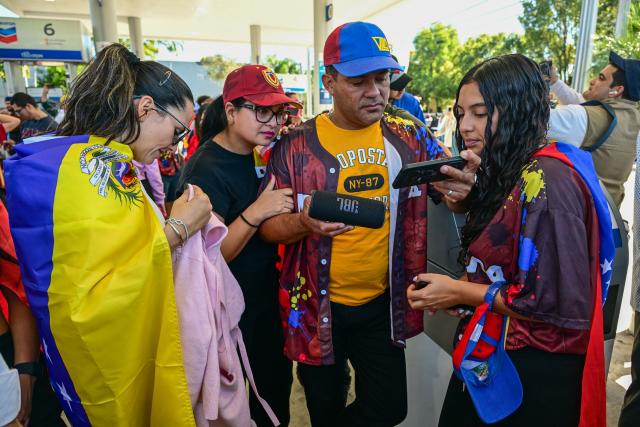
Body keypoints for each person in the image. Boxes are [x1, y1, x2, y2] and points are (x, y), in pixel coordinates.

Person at [258, 21, 478, 427]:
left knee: (391, 407)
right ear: (329, 81)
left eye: (382, 78)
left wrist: (462, 192)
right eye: (359, 81)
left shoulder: (409, 136)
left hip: (383, 304)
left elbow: (449, 196)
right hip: (316, 308)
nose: (375, 91)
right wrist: (305, 223)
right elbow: (268, 229)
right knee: (324, 407)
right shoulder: (295, 145)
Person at [3, 44, 212, 426]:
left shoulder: (58, 158)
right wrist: (181, 227)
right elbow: (103, 291)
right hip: (103, 362)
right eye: (178, 130)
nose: (176, 144)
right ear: (145, 108)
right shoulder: (96, 169)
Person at [408, 54, 610, 426]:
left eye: (480, 113)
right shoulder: (519, 168)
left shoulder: (547, 181)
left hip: (531, 374)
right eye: (461, 112)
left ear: (517, 108)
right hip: (496, 353)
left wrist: (459, 291)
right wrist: (471, 287)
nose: (465, 126)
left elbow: (551, 302)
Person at [179, 64, 299, 427]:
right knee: (234, 405)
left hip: (263, 299)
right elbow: (208, 255)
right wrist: (258, 211)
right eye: (262, 111)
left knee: (275, 390)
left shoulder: (255, 150)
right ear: (231, 112)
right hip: (227, 309)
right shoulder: (205, 169)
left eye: (278, 112)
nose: (273, 122)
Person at [547, 51, 640, 207]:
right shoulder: (633, 119)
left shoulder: (591, 118)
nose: (592, 80)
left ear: (616, 90)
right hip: (606, 220)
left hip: (576, 217)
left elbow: (529, 120)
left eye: (601, 78)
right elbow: (580, 103)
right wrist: (555, 82)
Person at [388, 56, 426, 124]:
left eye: (403, 84)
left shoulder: (412, 102)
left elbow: (423, 132)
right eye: (396, 86)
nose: (401, 90)